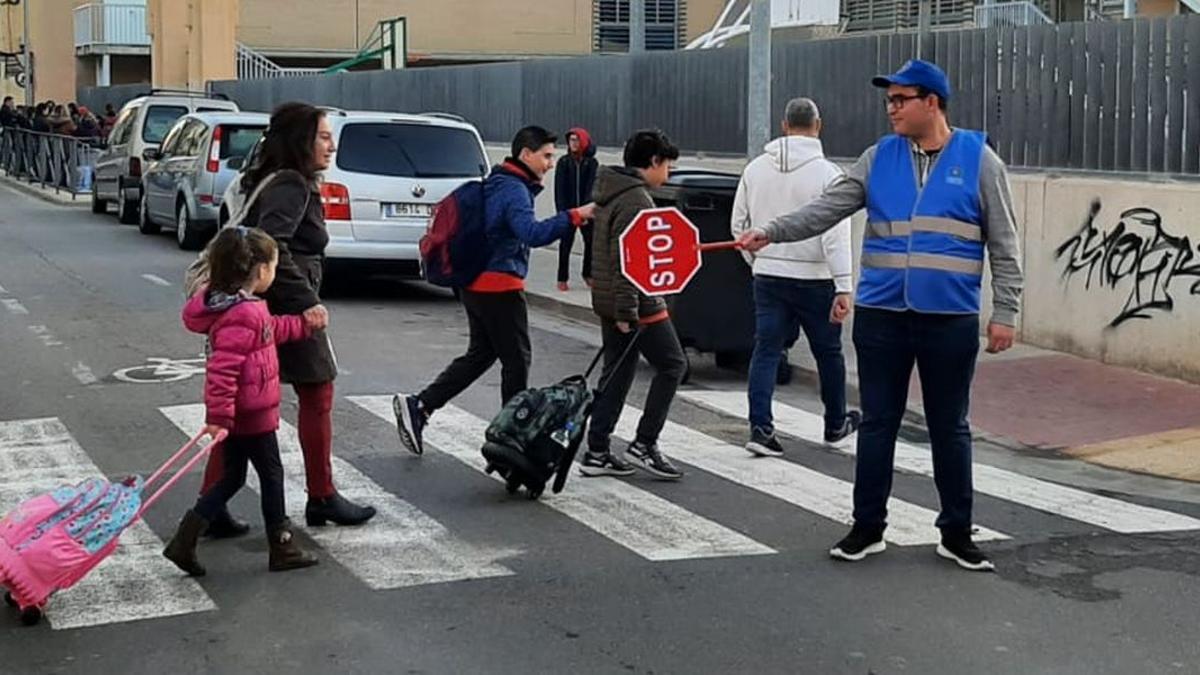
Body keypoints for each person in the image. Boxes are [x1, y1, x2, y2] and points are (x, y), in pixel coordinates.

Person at [738, 60, 1023, 572]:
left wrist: (1006, 311)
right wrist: (773, 231)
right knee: (877, 425)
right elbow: (827, 208)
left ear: (931, 102)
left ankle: (956, 532)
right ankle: (867, 527)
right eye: (888, 100)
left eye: (901, 99)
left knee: (949, 428)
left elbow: (1004, 243)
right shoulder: (878, 158)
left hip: (949, 318)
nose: (891, 108)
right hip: (882, 315)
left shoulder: (979, 161)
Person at [198, 102, 377, 534]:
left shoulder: (277, 179)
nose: (331, 144)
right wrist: (305, 303)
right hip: (283, 306)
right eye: (322, 136)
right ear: (301, 141)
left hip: (262, 306)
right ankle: (321, 496)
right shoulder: (291, 185)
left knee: (243, 407)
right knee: (318, 391)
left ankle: (210, 507)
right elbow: (272, 244)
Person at [393, 126, 594, 455]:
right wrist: (574, 215)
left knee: (482, 354)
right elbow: (532, 233)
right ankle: (511, 434)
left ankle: (420, 406)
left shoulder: (500, 182)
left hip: (475, 283)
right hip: (499, 285)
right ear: (525, 155)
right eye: (546, 156)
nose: (550, 163)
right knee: (517, 361)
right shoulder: (514, 189)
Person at [164, 227, 319, 575]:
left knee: (232, 477)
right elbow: (223, 368)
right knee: (272, 475)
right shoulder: (244, 312)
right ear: (260, 270)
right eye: (274, 267)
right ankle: (282, 545)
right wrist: (218, 416)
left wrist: (302, 325)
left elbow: (267, 334)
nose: (274, 274)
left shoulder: (237, 307)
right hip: (250, 411)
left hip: (243, 410)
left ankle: (185, 540)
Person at [730, 97, 860, 458]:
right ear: (818, 126)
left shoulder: (755, 169)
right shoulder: (829, 174)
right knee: (828, 352)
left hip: (768, 274)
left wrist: (756, 258)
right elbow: (835, 235)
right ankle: (835, 423)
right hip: (816, 278)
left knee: (766, 349)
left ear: (784, 126)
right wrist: (844, 285)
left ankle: (760, 426)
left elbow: (738, 226)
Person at [579, 129, 686, 481]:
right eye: (667, 164)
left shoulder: (610, 191)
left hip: (610, 298)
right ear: (653, 162)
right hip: (637, 303)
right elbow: (629, 260)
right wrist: (628, 312)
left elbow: (605, 251)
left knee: (618, 372)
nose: (668, 172)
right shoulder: (636, 200)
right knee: (672, 364)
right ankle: (644, 442)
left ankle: (597, 449)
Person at [553, 127, 599, 291]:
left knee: (590, 243)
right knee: (565, 244)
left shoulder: (591, 163)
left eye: (577, 140)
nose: (573, 143)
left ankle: (588, 274)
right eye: (571, 140)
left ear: (584, 141)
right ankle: (562, 278)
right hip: (568, 211)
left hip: (587, 211)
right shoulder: (564, 162)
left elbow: (592, 188)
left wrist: (586, 212)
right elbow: (559, 190)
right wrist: (563, 213)